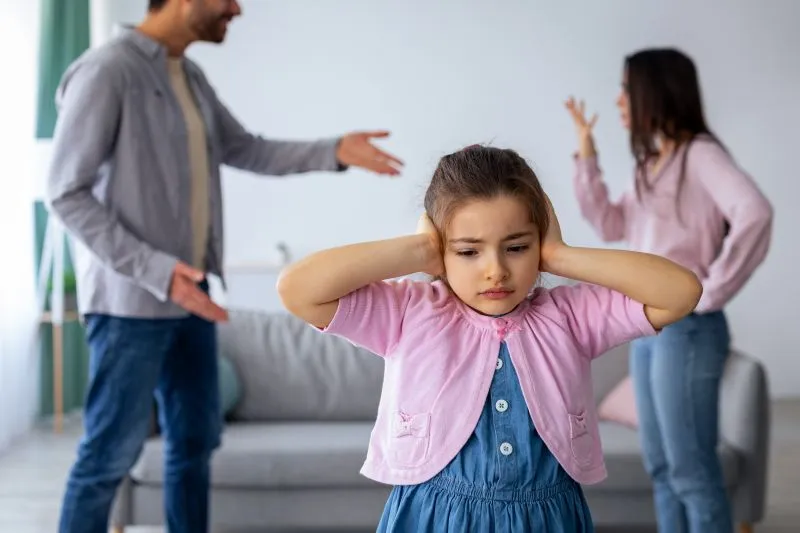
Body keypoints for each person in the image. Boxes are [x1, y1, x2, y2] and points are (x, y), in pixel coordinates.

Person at [45, 1, 403, 532]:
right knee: (107, 457)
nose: (236, 9)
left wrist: (334, 152)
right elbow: (65, 192)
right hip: (131, 308)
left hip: (193, 300)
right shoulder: (107, 71)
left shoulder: (187, 75)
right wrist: (157, 269)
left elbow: (246, 149)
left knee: (193, 445)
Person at [277, 144, 702, 531]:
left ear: (539, 242)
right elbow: (297, 289)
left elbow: (680, 293)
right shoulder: (409, 313)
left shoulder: (571, 317)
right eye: (467, 251)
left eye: (516, 247)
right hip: (431, 518)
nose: (495, 269)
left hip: (549, 519)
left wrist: (562, 257)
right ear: (441, 248)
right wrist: (419, 249)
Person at [566, 47, 773, 533]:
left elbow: (755, 212)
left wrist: (708, 293)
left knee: (691, 470)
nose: (618, 100)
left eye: (625, 88)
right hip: (649, 326)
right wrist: (586, 152)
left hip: (687, 330)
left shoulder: (701, 155)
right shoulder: (652, 164)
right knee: (663, 468)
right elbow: (610, 223)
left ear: (653, 92)